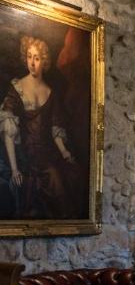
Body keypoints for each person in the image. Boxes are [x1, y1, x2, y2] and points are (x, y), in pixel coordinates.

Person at [0, 35, 78, 219]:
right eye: (29, 56)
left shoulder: (51, 92)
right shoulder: (17, 87)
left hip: (46, 156)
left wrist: (65, 152)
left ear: (44, 61)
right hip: (23, 156)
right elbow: (8, 132)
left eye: (37, 58)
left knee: (60, 188)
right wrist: (14, 169)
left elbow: (55, 128)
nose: (32, 62)